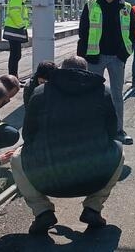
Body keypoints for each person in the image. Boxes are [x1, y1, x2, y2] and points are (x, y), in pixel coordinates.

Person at [11, 56, 124, 234]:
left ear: (61, 70)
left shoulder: (40, 92)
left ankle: (42, 211)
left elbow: (28, 135)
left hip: (48, 178)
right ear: (86, 71)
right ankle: (93, 207)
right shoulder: (104, 92)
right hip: (92, 178)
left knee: (16, 157)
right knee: (120, 152)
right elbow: (112, 133)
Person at [77, 0, 135, 145]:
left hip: (117, 58)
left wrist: (124, 54)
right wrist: (83, 56)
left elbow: (132, 33)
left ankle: (118, 130)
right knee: (92, 93)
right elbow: (83, 31)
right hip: (94, 56)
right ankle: (92, 128)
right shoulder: (91, 5)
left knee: (117, 94)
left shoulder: (126, 8)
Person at [4, 0, 31, 77]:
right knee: (15, 55)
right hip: (14, 29)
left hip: (16, 29)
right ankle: (13, 77)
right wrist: (21, 25)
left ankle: (14, 76)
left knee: (16, 55)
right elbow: (14, 12)